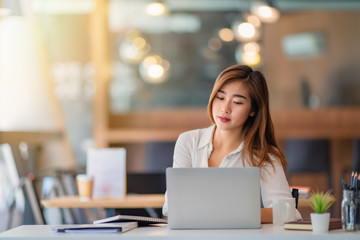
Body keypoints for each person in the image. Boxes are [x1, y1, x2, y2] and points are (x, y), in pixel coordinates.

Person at [162, 64, 301, 220]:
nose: (225, 108)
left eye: (237, 102)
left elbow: (288, 212)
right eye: (220, 98)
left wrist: (233, 214)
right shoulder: (188, 142)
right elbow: (171, 207)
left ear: (253, 110)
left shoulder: (264, 156)